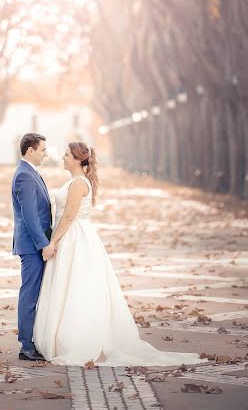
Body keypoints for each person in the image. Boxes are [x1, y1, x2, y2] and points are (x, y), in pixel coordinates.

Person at [33, 141, 209, 368]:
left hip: (74, 237)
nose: (63, 157)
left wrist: (52, 242)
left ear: (78, 159)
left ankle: (75, 340)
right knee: (68, 285)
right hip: (71, 236)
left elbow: (68, 217)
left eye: (67, 155)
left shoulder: (77, 184)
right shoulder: (74, 181)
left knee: (76, 286)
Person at [11, 132, 56, 361]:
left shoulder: (30, 172)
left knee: (35, 293)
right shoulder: (24, 176)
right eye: (43, 150)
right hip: (31, 246)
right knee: (29, 294)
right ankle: (26, 346)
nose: (46, 154)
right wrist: (43, 245)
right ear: (30, 150)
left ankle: (31, 342)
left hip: (34, 244)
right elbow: (30, 216)